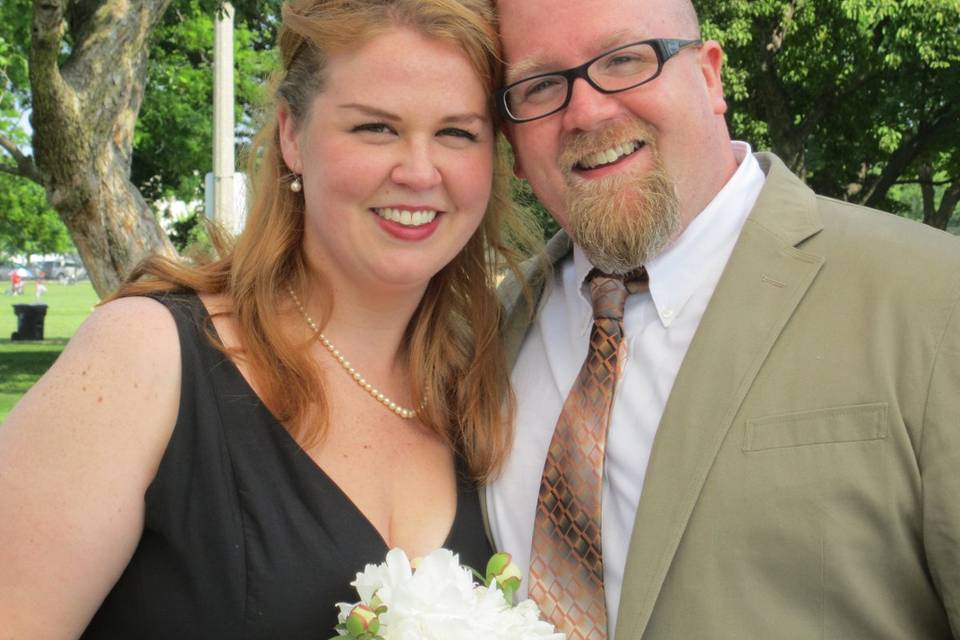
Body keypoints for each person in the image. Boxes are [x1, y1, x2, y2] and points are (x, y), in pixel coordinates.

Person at [0, 0, 537, 637]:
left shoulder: (488, 386)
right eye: (375, 128)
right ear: (291, 135)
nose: (420, 171)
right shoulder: (145, 358)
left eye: (457, 133)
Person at [486, 0, 960, 639]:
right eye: (541, 85)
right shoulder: (485, 337)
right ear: (512, 144)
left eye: (627, 59)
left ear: (710, 78)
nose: (589, 111)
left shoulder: (933, 300)